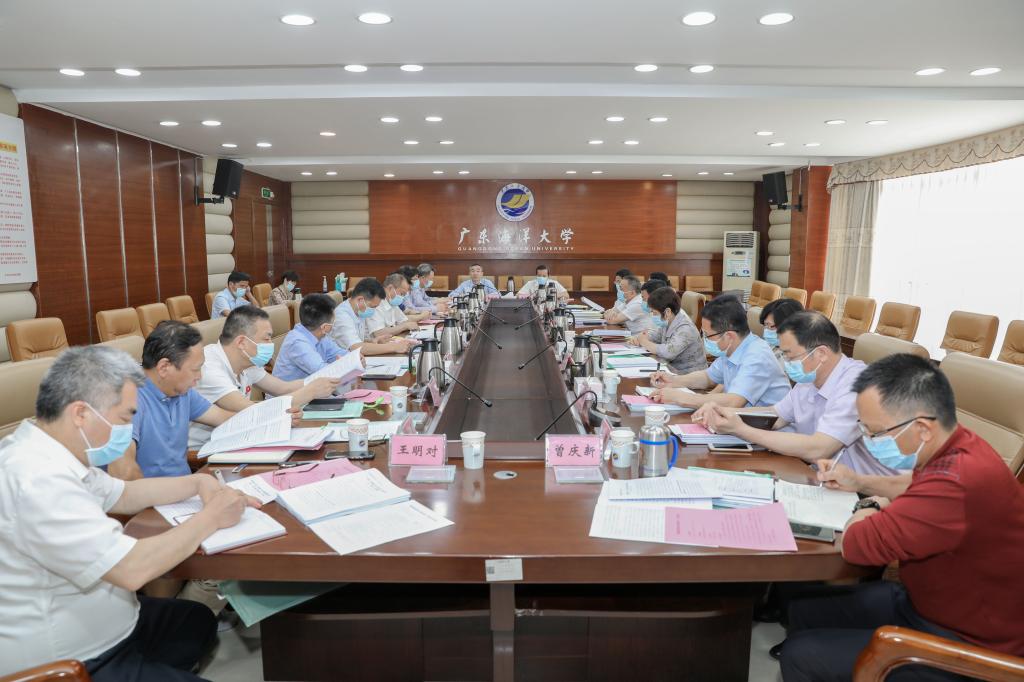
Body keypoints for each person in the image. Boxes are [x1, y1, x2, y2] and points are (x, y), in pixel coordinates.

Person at [0, 346, 259, 680]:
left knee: (195, 620)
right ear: (81, 414)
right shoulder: (37, 479)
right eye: (124, 419)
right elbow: (132, 569)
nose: (127, 429)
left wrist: (198, 483)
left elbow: (125, 494)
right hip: (77, 659)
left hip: (114, 619)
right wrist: (211, 517)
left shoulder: (54, 451)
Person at [779, 353, 1024, 681]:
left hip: (969, 642)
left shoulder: (958, 481)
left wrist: (868, 506)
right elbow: (913, 483)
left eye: (875, 433)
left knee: (801, 656)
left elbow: (856, 544)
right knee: (801, 609)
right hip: (927, 603)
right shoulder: (955, 443)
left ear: (921, 428)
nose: (868, 440)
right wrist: (859, 481)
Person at [694, 312, 900, 476]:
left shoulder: (855, 385)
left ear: (821, 353)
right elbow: (775, 416)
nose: (785, 362)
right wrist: (725, 412)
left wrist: (741, 429)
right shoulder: (809, 378)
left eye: (789, 356)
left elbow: (819, 448)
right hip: (822, 476)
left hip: (867, 492)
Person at [188, 306, 339, 447]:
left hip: (238, 437)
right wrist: (311, 391)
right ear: (242, 342)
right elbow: (252, 412)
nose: (270, 344)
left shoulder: (247, 360)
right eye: (266, 339)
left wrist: (322, 380)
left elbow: (283, 388)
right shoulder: (208, 367)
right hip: (205, 451)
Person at [107, 321, 236, 481]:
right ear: (164, 368)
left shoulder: (181, 391)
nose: (199, 376)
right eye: (195, 369)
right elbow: (123, 473)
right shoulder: (128, 399)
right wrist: (188, 487)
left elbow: (223, 418)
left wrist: (260, 421)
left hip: (186, 488)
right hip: (155, 494)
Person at [651, 295, 790, 409]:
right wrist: (673, 380)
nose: (705, 340)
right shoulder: (733, 348)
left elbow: (734, 401)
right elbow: (708, 377)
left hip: (768, 429)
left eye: (708, 335)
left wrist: (681, 398)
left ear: (728, 336)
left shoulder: (757, 356)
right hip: (740, 422)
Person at [628, 287, 706, 375]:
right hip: (670, 368)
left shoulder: (685, 328)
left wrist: (644, 342)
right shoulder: (669, 319)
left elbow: (668, 352)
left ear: (667, 311)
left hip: (689, 375)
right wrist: (639, 337)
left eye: (655, 313)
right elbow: (657, 335)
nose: (653, 315)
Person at [273, 294, 350, 382]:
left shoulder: (320, 334)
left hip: (310, 386)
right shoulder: (297, 342)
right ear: (325, 327)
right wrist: (344, 366)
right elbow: (324, 372)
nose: (333, 324)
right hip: (291, 390)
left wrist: (354, 358)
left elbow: (339, 353)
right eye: (333, 322)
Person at [332, 277, 417, 356]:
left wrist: (372, 341)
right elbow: (356, 347)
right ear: (360, 300)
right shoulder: (342, 315)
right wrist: (394, 347)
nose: (373, 310)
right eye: (372, 307)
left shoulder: (359, 310)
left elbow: (356, 340)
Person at [368, 272, 421, 340]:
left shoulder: (392, 303)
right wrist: (404, 326)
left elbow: (403, 321)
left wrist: (410, 324)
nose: (402, 297)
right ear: (390, 288)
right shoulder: (376, 302)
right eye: (401, 294)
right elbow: (379, 333)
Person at [760, 297, 804, 369]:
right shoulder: (771, 345)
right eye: (765, 325)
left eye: (772, 326)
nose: (767, 330)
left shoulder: (802, 357)